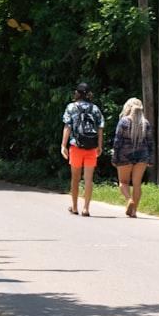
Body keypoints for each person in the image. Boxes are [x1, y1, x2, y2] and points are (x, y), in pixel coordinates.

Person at [60, 82, 104, 216]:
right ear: (89, 94)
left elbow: (68, 126)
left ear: (77, 93)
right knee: (88, 179)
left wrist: (63, 145)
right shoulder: (95, 108)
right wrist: (99, 146)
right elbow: (100, 128)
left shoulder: (71, 107)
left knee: (75, 178)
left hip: (76, 146)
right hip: (91, 147)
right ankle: (86, 208)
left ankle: (74, 207)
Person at [112, 97, 154, 218]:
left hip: (124, 155)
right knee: (137, 184)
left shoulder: (123, 122)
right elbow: (150, 142)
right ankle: (134, 211)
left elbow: (117, 141)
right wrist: (151, 158)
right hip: (142, 155)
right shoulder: (145, 123)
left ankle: (129, 200)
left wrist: (115, 157)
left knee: (123, 182)